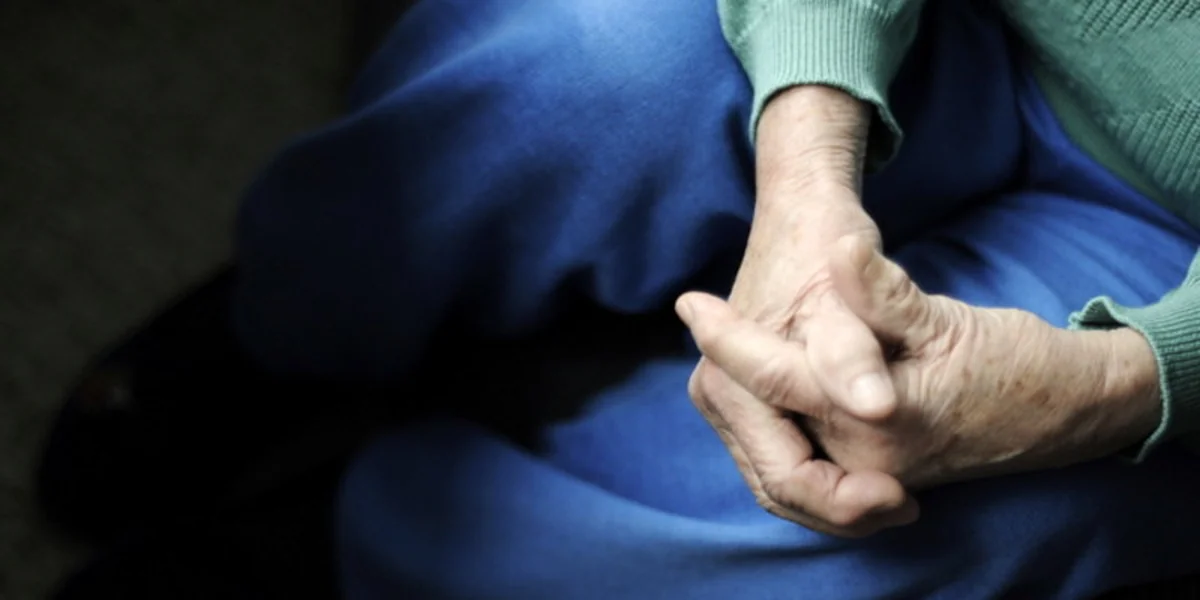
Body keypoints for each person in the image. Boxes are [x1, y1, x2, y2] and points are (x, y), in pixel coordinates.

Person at [230, 0, 1200, 597]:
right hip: (981, 19)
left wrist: (1122, 384)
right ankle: (274, 329)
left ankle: (370, 540)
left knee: (881, 534)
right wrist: (806, 157)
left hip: (1170, 255)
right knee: (593, 65)